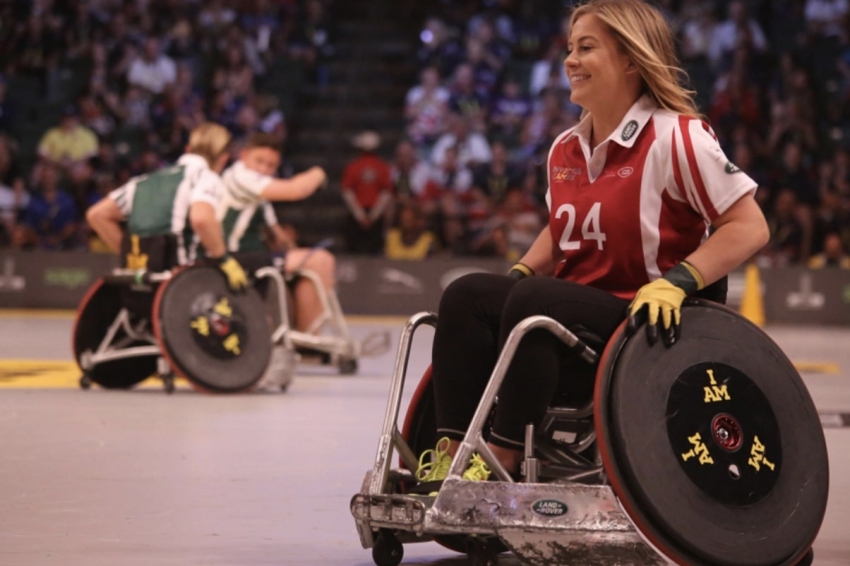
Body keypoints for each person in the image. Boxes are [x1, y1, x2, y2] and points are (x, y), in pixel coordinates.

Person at [413, 0, 770, 492]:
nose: (569, 60)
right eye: (568, 48)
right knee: (469, 294)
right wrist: (519, 270)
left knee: (537, 301)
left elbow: (749, 226)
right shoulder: (564, 147)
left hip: (646, 321)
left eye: (586, 48)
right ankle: (450, 459)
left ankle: (501, 460)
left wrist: (677, 284)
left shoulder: (677, 136)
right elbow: (564, 227)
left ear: (629, 59)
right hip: (575, 311)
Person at [85, 122, 247, 291]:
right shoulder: (206, 177)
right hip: (183, 284)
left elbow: (96, 215)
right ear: (223, 159)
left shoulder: (143, 181)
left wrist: (134, 255)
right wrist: (224, 259)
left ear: (188, 149)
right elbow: (201, 219)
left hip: (141, 284)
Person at [218, 132, 333, 333]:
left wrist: (296, 251)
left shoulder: (258, 192)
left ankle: (305, 334)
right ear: (244, 156)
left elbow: (277, 235)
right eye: (259, 161)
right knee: (320, 261)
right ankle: (309, 339)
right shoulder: (240, 177)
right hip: (234, 257)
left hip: (254, 256)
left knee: (311, 262)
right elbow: (296, 190)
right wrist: (320, 172)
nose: (264, 169)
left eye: (270, 165)